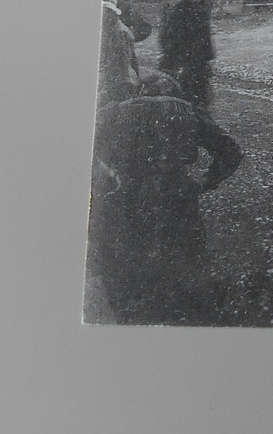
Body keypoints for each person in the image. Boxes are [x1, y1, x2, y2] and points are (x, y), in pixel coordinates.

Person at [88, 67, 243, 323]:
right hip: (176, 192)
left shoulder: (114, 111)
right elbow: (231, 151)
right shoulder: (187, 110)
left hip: (127, 194)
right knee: (188, 263)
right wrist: (205, 182)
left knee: (128, 269)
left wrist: (109, 176)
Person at [160, 0, 216, 108]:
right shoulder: (176, 12)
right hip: (180, 61)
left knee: (201, 100)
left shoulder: (202, 12)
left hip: (198, 63)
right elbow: (167, 38)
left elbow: (206, 38)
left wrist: (208, 59)